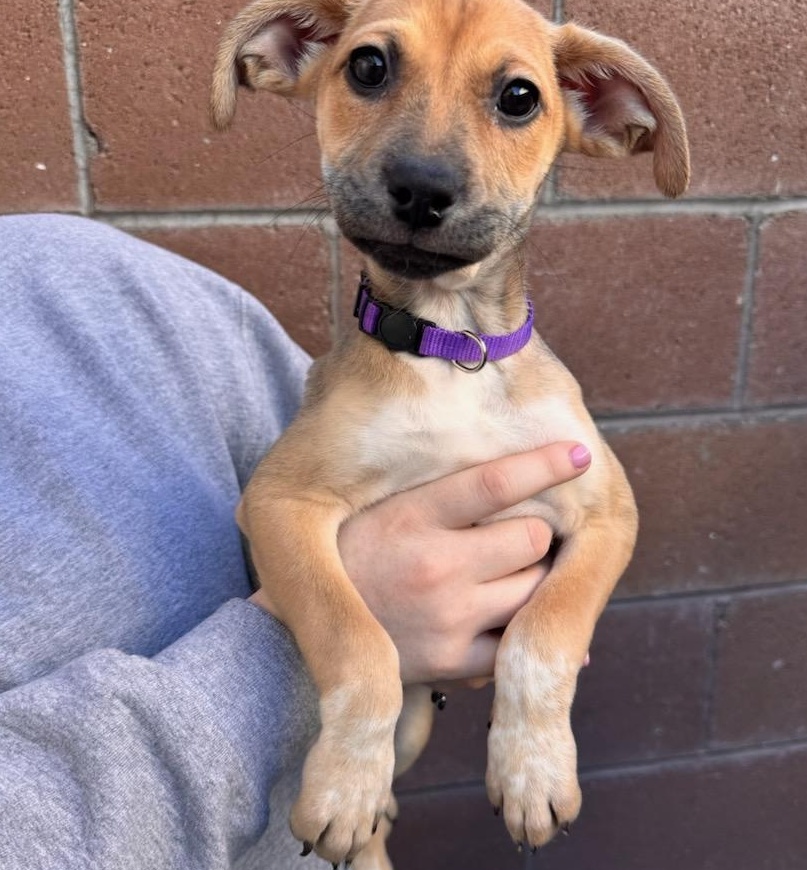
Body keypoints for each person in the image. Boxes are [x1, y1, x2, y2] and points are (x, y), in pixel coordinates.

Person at [0, 213, 591, 869]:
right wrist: (342, 670)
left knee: (403, 746)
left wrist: (538, 679)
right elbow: (276, 507)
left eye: (512, 102)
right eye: (371, 97)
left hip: (343, 795)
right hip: (318, 769)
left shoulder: (93, 280)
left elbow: (606, 519)